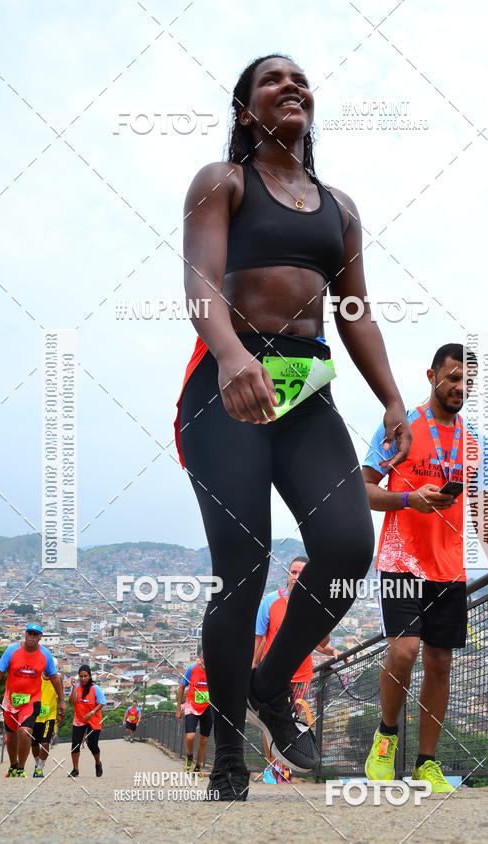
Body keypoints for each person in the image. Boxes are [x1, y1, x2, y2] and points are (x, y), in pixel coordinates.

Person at [174, 53, 410, 801]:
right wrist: (233, 355)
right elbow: (201, 281)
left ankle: (271, 685)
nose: (291, 86)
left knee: (345, 546)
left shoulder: (339, 207)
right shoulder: (223, 181)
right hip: (228, 385)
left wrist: (393, 400)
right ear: (245, 109)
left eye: (300, 79)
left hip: (306, 388)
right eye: (272, 80)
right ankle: (230, 763)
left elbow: (354, 311)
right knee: (241, 570)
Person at [361, 343, 488, 792]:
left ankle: (426, 762)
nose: (459, 388)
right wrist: (409, 499)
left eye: (467, 381)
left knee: (440, 662)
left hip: (449, 568)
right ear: (431, 376)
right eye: (452, 378)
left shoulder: (474, 442)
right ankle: (386, 736)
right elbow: (362, 490)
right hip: (401, 559)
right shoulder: (400, 428)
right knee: (404, 651)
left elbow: (482, 509)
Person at [252, 555, 339, 780]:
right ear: (288, 574)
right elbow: (259, 638)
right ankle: (275, 769)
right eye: (293, 572)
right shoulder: (270, 601)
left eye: (302, 573)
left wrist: (332, 651)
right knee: (271, 723)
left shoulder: (314, 604)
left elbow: (319, 642)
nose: (296, 577)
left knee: (287, 723)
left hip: (301, 675)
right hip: (271, 675)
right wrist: (253, 669)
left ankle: (282, 769)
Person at [0, 624, 65, 778]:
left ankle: (21, 768)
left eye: (36, 634)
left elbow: (54, 678)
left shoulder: (45, 654)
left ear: (40, 637)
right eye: (30, 633)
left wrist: (61, 701)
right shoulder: (12, 651)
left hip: (32, 700)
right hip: (11, 700)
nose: (32, 637)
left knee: (25, 732)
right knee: (12, 735)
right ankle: (13, 766)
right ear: (25, 634)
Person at [176, 654, 211, 774]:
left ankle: (198, 767)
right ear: (201, 658)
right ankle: (190, 756)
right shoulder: (192, 669)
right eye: (204, 659)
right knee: (190, 736)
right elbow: (182, 687)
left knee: (204, 740)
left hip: (207, 707)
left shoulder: (215, 670)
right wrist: (178, 708)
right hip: (192, 706)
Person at [68, 665, 105, 778]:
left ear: (89, 676)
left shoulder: (95, 688)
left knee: (92, 744)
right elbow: (71, 701)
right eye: (81, 676)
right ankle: (75, 769)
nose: (83, 678)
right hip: (79, 720)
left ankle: (98, 763)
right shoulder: (77, 687)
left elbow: (102, 702)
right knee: (75, 745)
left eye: (85, 676)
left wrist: (92, 712)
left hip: (93, 719)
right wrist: (74, 687)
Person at [31, 668, 64, 777]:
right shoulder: (36, 677)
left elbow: (61, 698)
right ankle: (37, 764)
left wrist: (60, 714)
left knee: (45, 743)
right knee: (34, 744)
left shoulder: (57, 679)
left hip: (50, 716)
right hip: (36, 715)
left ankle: (40, 768)